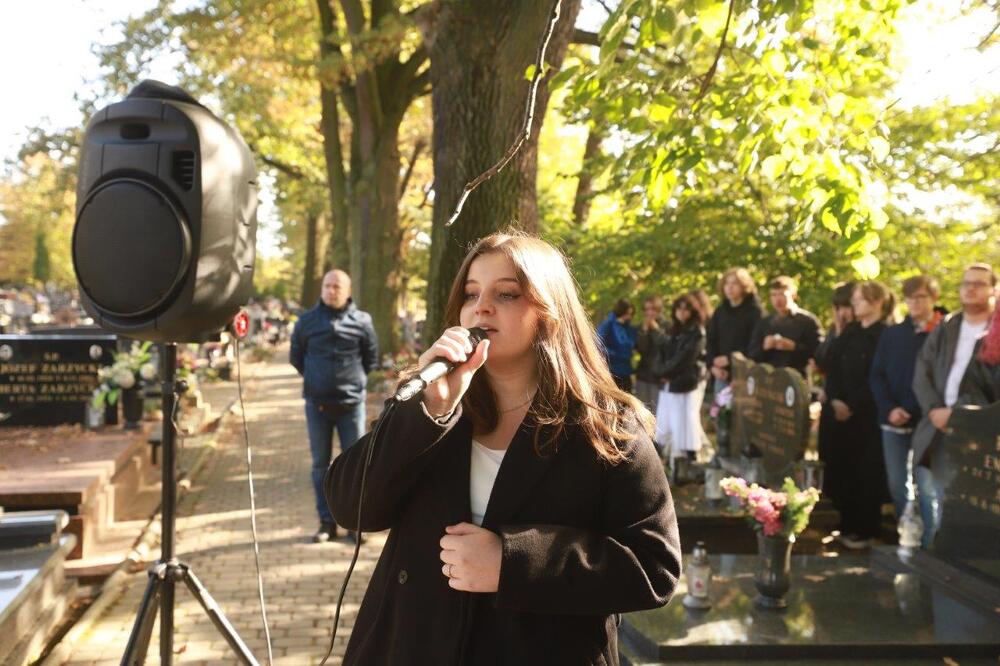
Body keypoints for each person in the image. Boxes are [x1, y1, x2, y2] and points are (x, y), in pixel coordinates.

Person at [325, 232, 681, 666]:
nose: (482, 307)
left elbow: (654, 568)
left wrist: (513, 564)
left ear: (551, 313)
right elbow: (350, 507)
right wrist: (427, 412)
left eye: (506, 294)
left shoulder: (605, 426)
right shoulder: (431, 402)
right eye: (471, 294)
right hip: (411, 644)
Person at [290, 269, 379, 543]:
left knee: (355, 466)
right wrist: (319, 381)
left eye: (337, 286)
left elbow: (371, 358)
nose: (332, 291)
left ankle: (354, 524)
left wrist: (350, 382)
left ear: (348, 291)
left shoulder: (362, 321)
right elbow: (297, 357)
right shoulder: (306, 322)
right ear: (322, 289)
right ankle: (326, 524)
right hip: (317, 407)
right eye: (327, 286)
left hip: (352, 406)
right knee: (320, 466)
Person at [913, 263, 997, 544]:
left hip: (977, 434)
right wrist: (935, 410)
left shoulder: (996, 329)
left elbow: (985, 385)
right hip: (935, 425)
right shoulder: (948, 325)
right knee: (932, 498)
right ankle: (931, 563)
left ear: (993, 290)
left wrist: (958, 415)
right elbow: (922, 370)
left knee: (965, 506)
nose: (970, 288)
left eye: (979, 283)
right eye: (966, 283)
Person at [869, 275, 945, 548]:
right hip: (892, 421)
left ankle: (930, 545)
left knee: (926, 487)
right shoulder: (893, 333)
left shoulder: (943, 332)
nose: (915, 303)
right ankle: (908, 537)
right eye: (910, 298)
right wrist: (890, 409)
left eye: (921, 297)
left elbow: (938, 379)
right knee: (897, 484)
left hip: (927, 422)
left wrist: (913, 410)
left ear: (933, 298)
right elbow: (877, 375)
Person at [823, 281, 895, 549]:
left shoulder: (885, 334)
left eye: (859, 300)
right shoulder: (851, 331)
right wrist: (836, 399)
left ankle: (865, 529)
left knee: (866, 473)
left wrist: (851, 404)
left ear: (877, 302)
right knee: (843, 469)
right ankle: (846, 523)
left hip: (866, 415)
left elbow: (878, 375)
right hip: (841, 412)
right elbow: (832, 365)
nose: (854, 304)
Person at [653, 293, 708, 463]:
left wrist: (666, 373)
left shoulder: (696, 331)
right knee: (665, 418)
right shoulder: (671, 330)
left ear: (692, 312)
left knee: (685, 418)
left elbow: (686, 358)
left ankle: (689, 455)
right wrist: (660, 372)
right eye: (679, 308)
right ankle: (660, 456)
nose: (682, 312)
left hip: (684, 383)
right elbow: (660, 354)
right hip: (668, 384)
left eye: (686, 309)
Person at [748, 276, 821, 377]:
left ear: (793, 295)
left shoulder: (807, 321)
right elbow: (752, 354)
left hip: (797, 378)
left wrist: (794, 347)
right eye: (773, 295)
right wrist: (764, 347)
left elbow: (818, 353)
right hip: (768, 379)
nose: (777, 299)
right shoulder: (764, 323)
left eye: (782, 294)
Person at [706, 268, 764, 391]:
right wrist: (712, 365)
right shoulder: (720, 312)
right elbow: (710, 340)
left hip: (748, 375)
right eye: (727, 283)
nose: (730, 287)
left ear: (744, 286)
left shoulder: (756, 312)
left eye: (734, 283)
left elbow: (757, 345)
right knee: (721, 410)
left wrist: (730, 359)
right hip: (721, 374)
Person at [634, 296, 667, 413]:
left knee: (657, 412)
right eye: (646, 309)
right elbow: (641, 349)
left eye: (652, 309)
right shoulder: (641, 327)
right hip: (643, 374)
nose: (649, 312)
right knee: (642, 412)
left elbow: (664, 347)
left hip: (659, 376)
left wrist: (655, 330)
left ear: (658, 310)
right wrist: (644, 332)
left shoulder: (667, 326)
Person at [597, 298, 637, 392]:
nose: (629, 317)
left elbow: (631, 345)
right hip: (611, 371)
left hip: (626, 371)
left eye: (631, 314)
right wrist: (615, 354)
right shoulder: (608, 325)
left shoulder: (629, 328)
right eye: (627, 313)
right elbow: (598, 344)